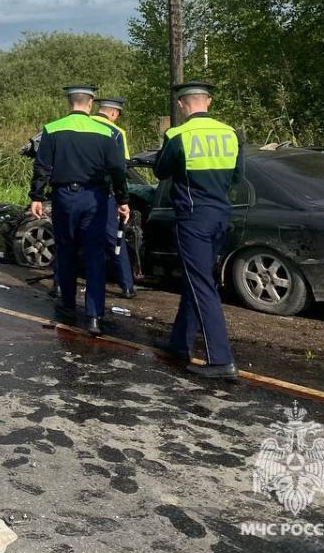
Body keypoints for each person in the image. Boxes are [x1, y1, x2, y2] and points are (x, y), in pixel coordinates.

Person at [154, 81, 243, 380]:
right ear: (209, 102)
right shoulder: (231, 134)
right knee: (198, 279)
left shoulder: (178, 135)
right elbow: (237, 177)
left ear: (182, 105)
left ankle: (221, 359)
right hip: (221, 215)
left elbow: (161, 171)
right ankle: (180, 342)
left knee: (202, 285)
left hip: (193, 218)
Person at [29, 85, 129, 336]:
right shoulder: (106, 131)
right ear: (91, 103)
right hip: (95, 198)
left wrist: (36, 197)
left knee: (66, 248)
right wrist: (122, 199)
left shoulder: (52, 129)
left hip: (64, 197)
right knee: (95, 256)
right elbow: (117, 170)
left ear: (69, 102)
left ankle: (68, 304)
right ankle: (94, 316)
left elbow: (42, 167)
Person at [92, 97, 137, 298]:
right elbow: (121, 169)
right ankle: (127, 285)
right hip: (105, 194)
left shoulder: (83, 125)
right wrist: (123, 201)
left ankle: (59, 284)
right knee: (114, 238)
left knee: (72, 237)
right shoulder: (117, 133)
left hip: (76, 193)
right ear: (114, 113)